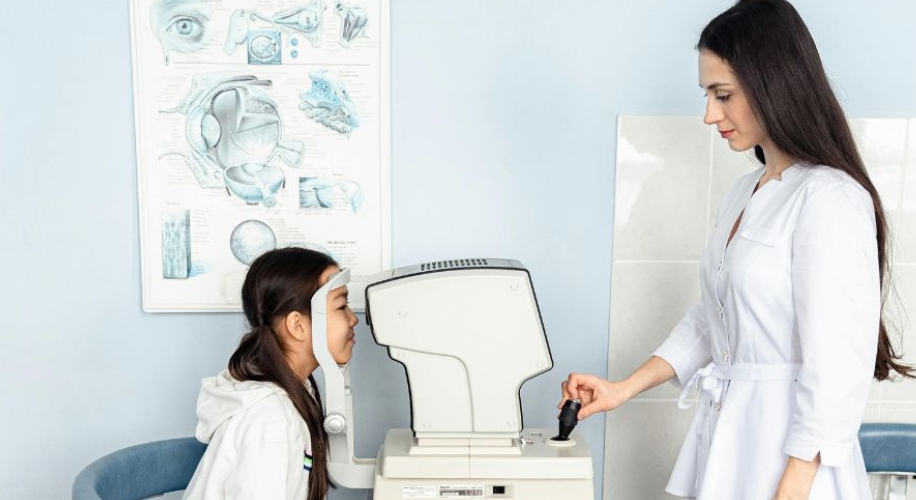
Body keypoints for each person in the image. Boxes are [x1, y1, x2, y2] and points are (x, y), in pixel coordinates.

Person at [561, 1, 915, 499]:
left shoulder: (829, 198)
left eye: (722, 95)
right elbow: (712, 320)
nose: (710, 115)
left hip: (793, 465)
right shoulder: (745, 194)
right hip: (732, 443)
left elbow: (836, 367)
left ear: (774, 84)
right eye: (708, 95)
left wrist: (790, 489)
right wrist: (622, 389)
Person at [182, 247, 358, 500]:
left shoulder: (291, 391)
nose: (353, 319)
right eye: (341, 306)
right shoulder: (271, 418)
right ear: (298, 325)